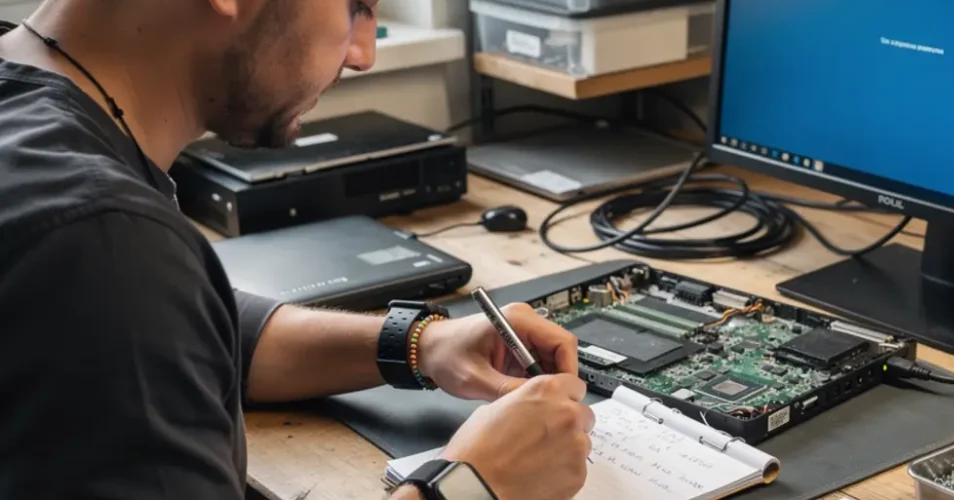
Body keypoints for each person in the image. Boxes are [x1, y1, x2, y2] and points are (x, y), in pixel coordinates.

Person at [0, 0, 595, 499]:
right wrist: (470, 486)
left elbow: (190, 332)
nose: (363, 54)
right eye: (356, 7)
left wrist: (422, 343)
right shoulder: (100, 240)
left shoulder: (35, 134)